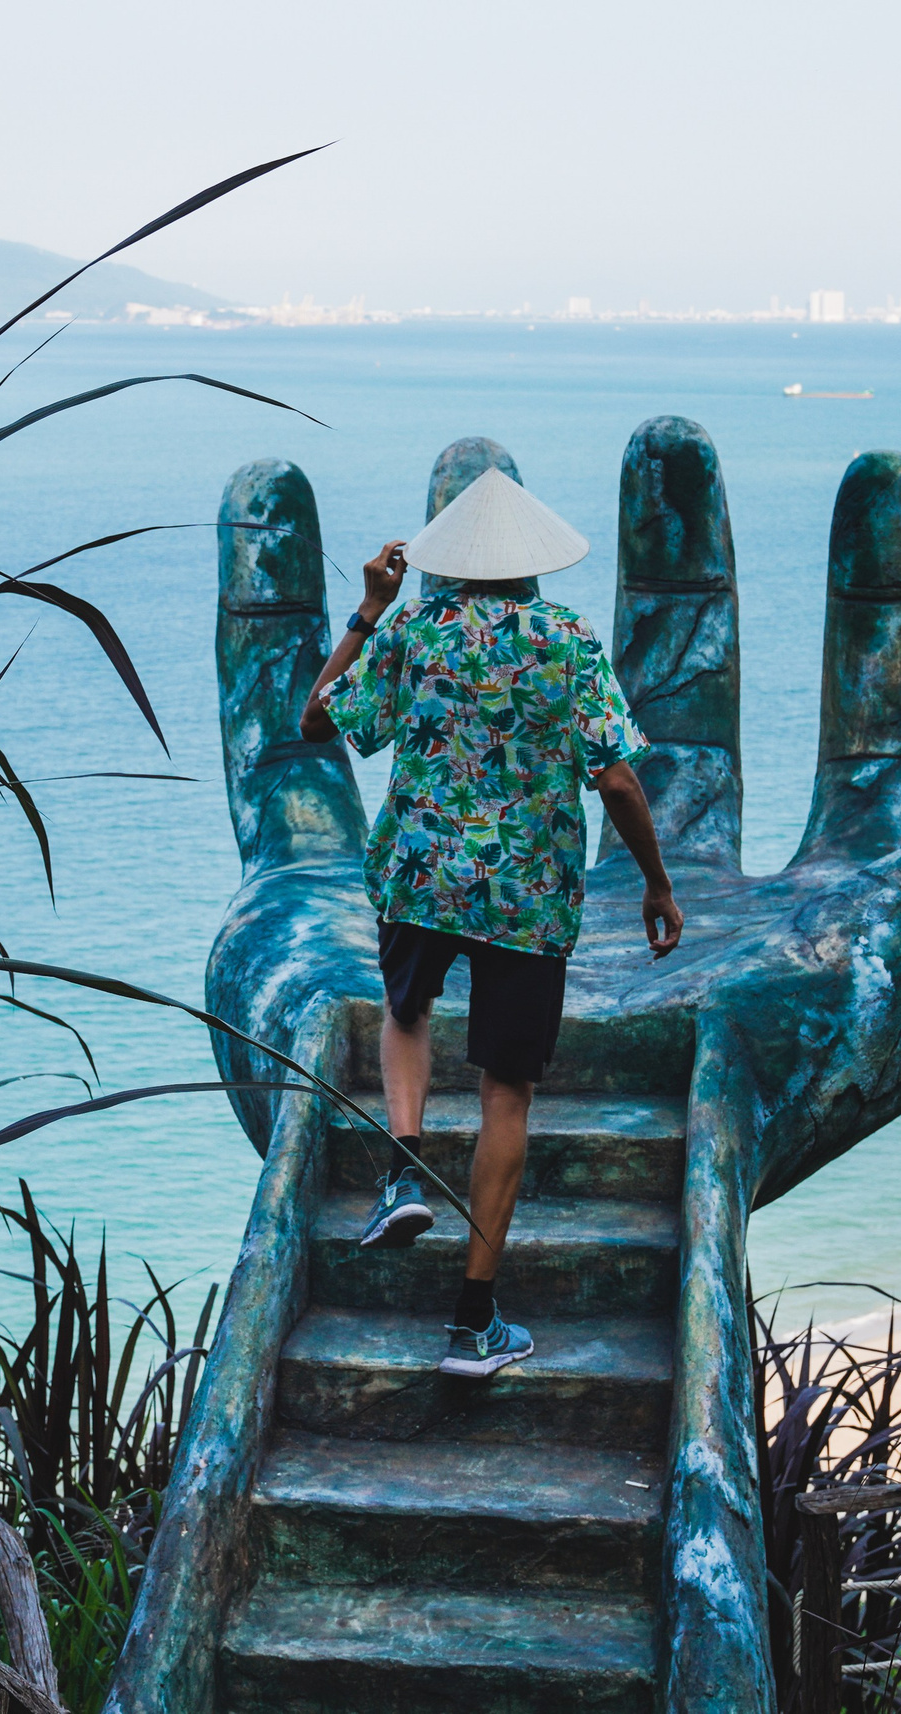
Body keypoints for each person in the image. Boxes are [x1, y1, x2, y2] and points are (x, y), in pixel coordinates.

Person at [299, 467, 684, 1377]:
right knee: (507, 1092)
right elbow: (616, 778)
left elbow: (318, 720)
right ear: (533, 561)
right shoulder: (567, 641)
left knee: (405, 1011)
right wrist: (657, 884)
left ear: (454, 558)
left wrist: (368, 610)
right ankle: (474, 1324)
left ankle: (403, 1168)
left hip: (420, 873)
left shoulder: (414, 631)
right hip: (528, 889)